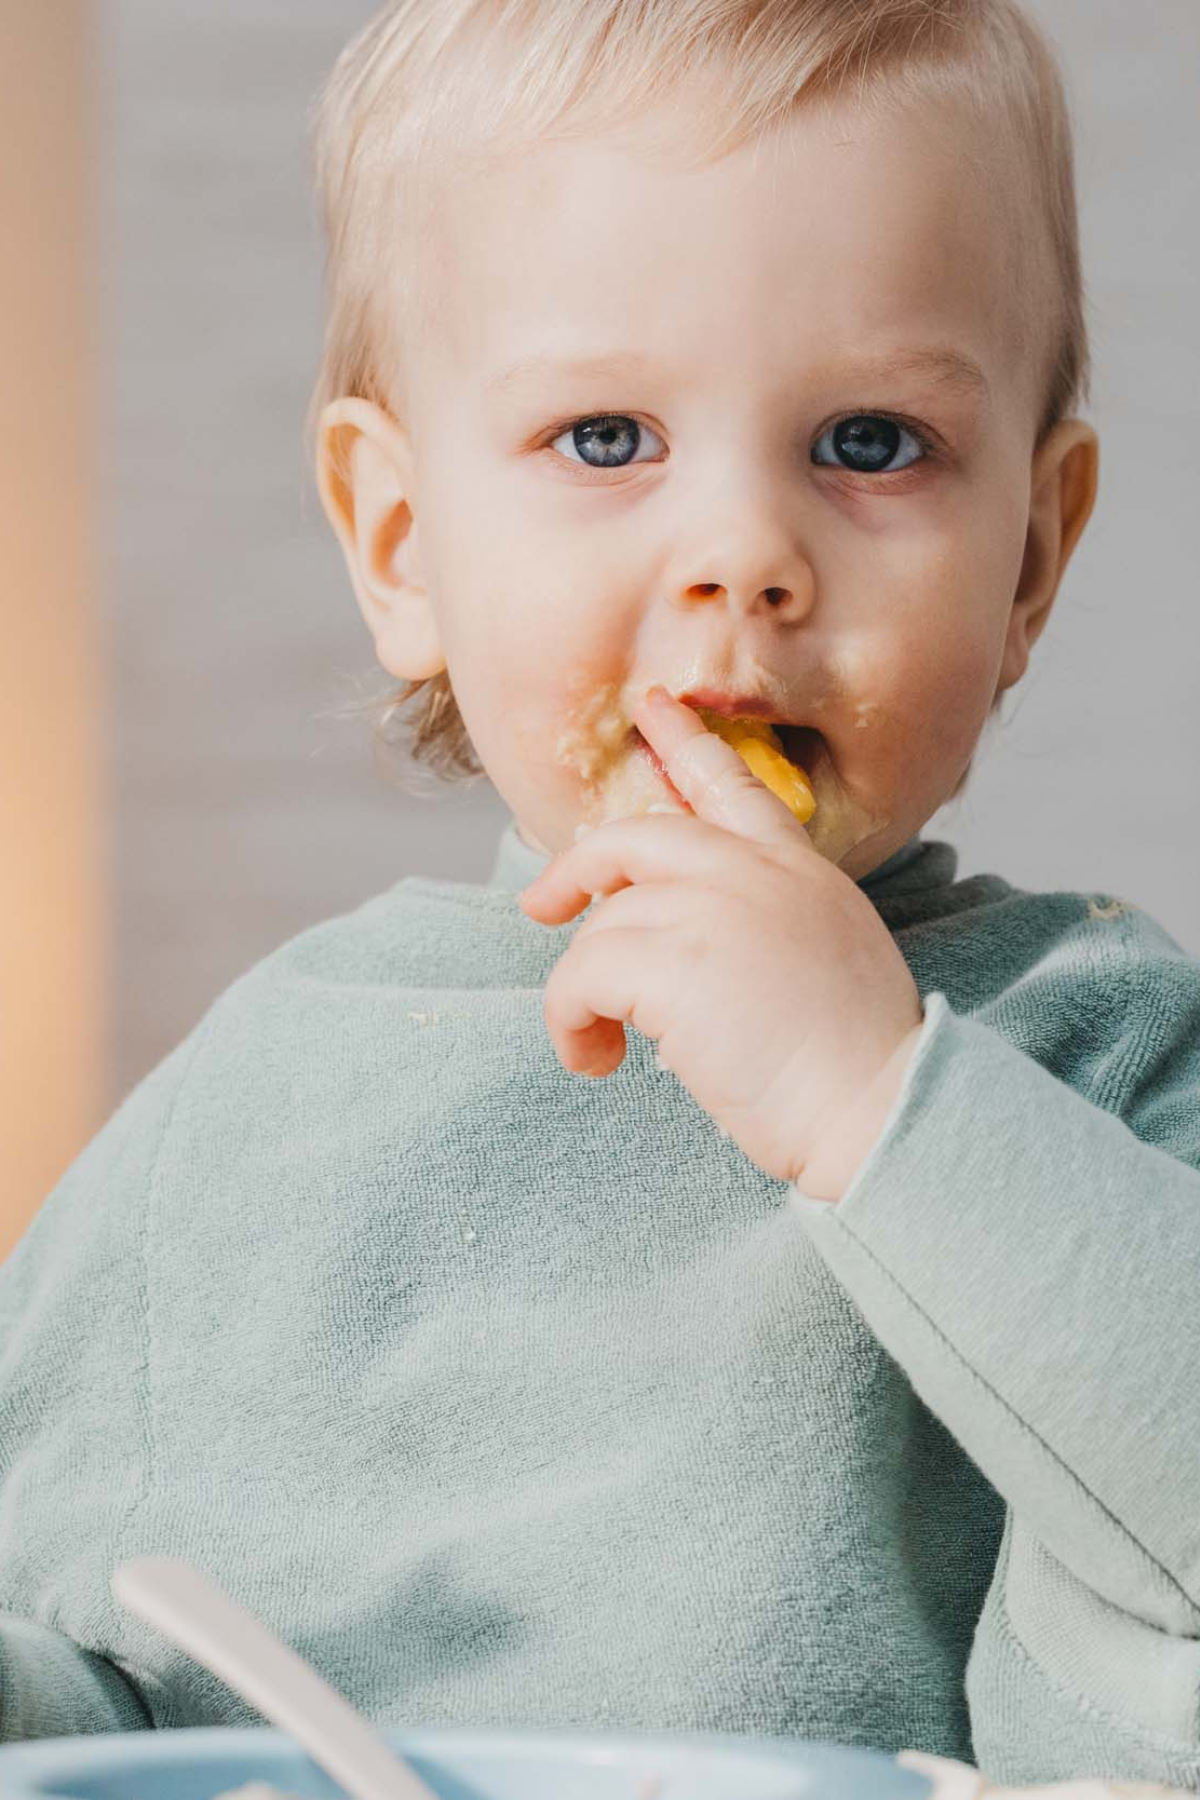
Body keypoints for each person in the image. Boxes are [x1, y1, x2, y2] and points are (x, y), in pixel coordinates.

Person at [2, 0, 1198, 1788]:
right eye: (606, 439)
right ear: (401, 545)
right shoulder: (251, 1117)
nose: (743, 556)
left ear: (1028, 557)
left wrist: (880, 1099)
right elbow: (95, 1668)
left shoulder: (1088, 1045)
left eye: (871, 444)